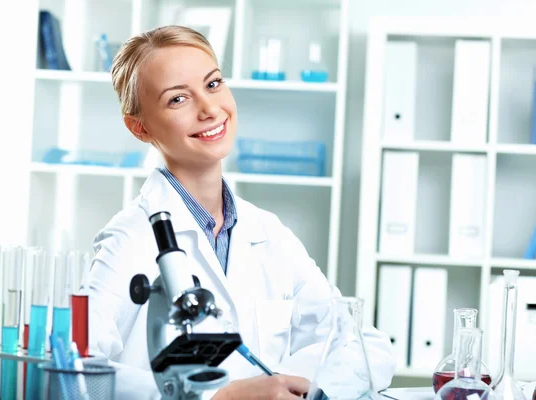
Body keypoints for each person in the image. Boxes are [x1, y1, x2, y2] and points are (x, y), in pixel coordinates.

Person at [85, 25, 396, 399]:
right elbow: (75, 368)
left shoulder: (267, 232)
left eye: (213, 84)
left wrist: (316, 391)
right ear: (139, 127)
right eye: (178, 99)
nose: (210, 109)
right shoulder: (129, 239)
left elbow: (363, 344)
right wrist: (216, 398)